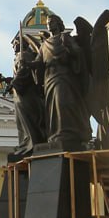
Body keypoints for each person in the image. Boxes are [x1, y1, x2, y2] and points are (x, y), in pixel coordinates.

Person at [40, 14, 89, 151]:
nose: (49, 24)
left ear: (59, 24)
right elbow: (38, 62)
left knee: (64, 102)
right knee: (52, 108)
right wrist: (26, 64)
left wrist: (67, 52)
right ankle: (55, 133)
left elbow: (78, 51)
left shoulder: (65, 38)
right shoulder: (44, 44)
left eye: (52, 22)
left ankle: (68, 133)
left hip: (63, 76)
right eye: (48, 23)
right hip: (49, 78)